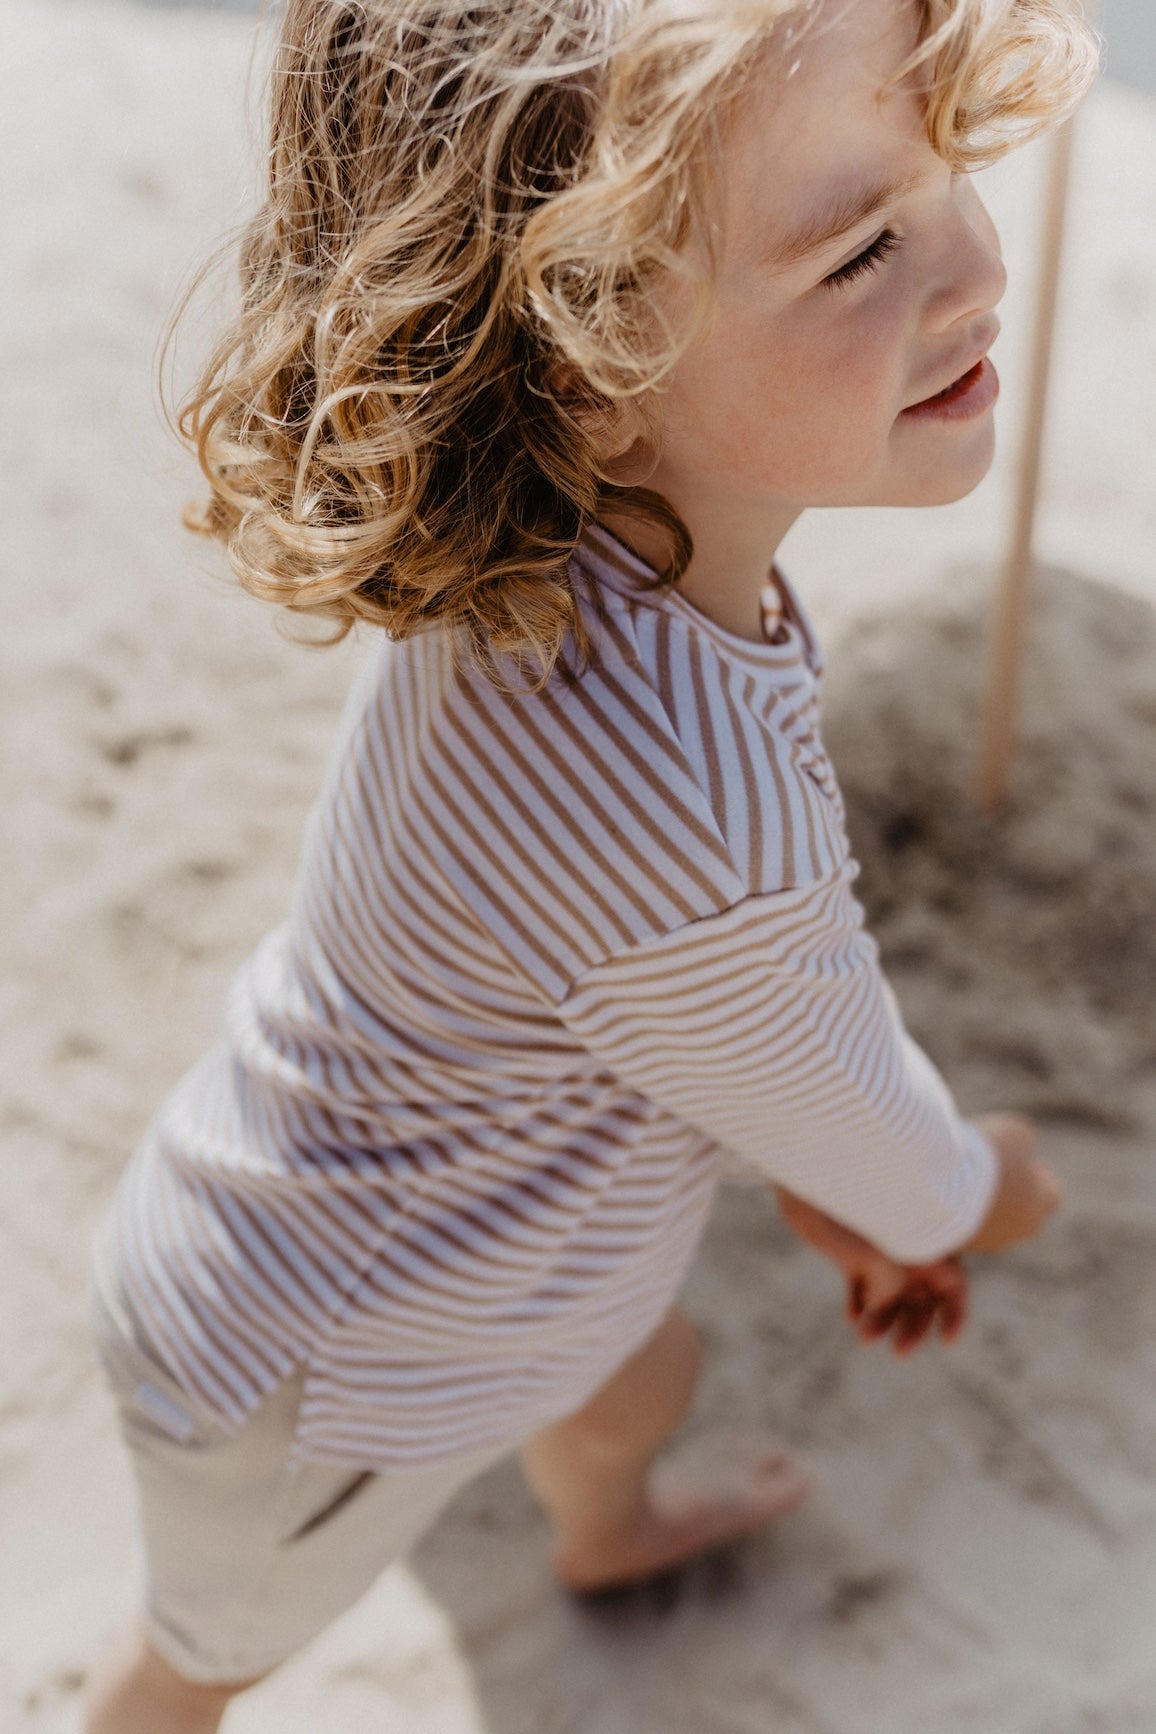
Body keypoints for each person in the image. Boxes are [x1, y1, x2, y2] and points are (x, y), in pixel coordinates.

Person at [84, 0, 1095, 1726]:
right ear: (581, 367)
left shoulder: (557, 543)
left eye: (948, 175)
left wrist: (820, 1173)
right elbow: (866, 1113)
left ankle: (607, 1528)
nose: (976, 266)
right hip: (310, 1369)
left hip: (498, 1234)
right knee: (197, 1669)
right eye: (861, 248)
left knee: (640, 1369)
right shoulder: (697, 821)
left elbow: (680, 1026)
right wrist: (978, 1184)